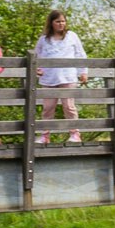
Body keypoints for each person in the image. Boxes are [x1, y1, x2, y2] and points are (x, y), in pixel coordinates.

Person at [33, 9, 86, 145]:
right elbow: (36, 56)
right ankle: (45, 135)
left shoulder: (72, 36)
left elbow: (80, 54)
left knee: (68, 106)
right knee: (48, 108)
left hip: (67, 77)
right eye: (58, 21)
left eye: (63, 21)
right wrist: (36, 68)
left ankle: (75, 134)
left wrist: (83, 72)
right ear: (51, 23)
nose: (61, 24)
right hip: (49, 77)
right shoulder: (44, 40)